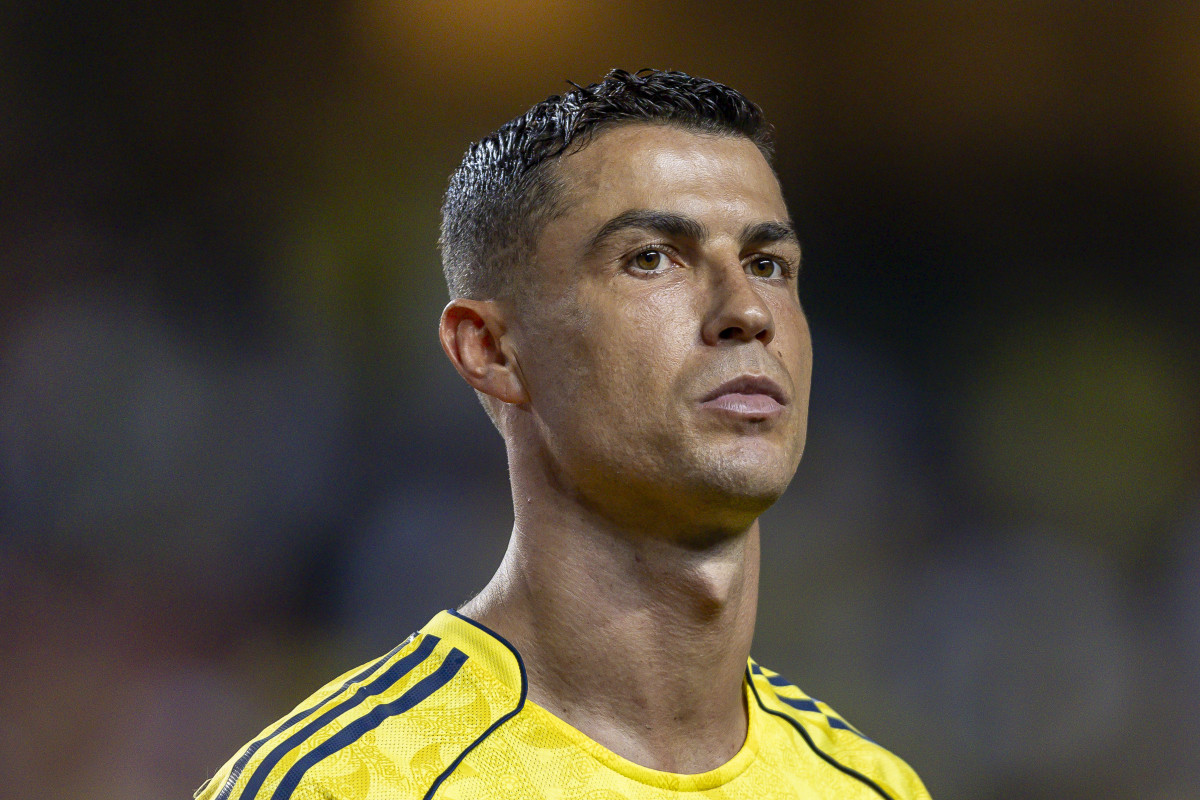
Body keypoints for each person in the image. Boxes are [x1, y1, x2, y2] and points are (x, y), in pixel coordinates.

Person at [195, 69, 931, 800]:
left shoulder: (875, 787)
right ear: (490, 349)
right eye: (651, 258)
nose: (747, 311)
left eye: (767, 264)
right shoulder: (344, 786)